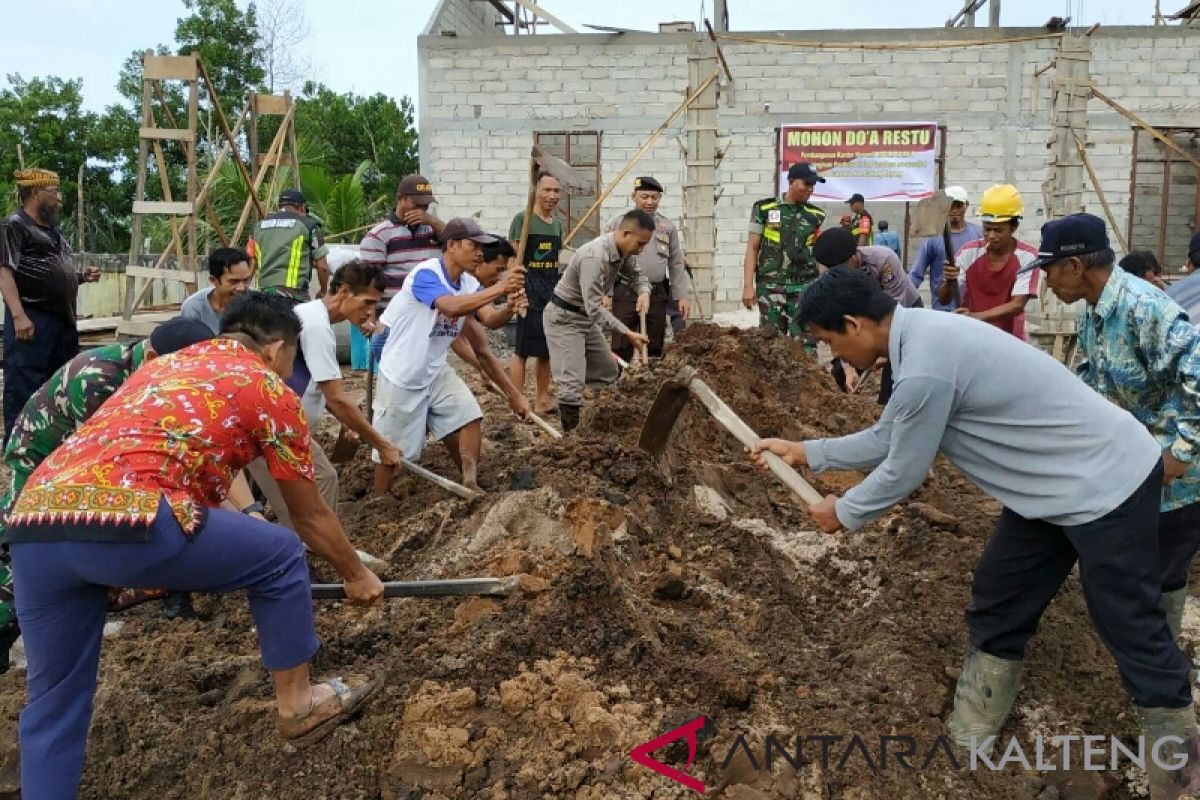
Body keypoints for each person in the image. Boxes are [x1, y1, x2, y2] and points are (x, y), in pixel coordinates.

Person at [750, 266, 1196, 798]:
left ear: (853, 324)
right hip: (1049, 490)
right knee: (1000, 592)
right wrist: (807, 452)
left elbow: (904, 469)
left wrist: (844, 512)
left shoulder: (925, 365)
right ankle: (972, 735)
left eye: (830, 343)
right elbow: (888, 435)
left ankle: (1181, 766)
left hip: (1106, 483)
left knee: (1127, 620)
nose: (836, 358)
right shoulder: (921, 342)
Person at [6, 292, 385, 798]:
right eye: (292, 361)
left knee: (54, 701)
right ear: (275, 350)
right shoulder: (265, 385)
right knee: (280, 554)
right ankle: (298, 703)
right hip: (126, 515)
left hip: (35, 519)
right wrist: (355, 574)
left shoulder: (160, 371)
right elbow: (310, 517)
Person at [0, 317, 214, 651]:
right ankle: (7, 625)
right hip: (43, 453)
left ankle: (169, 595)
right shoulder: (98, 379)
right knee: (28, 536)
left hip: (101, 451)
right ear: (156, 359)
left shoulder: (160, 373)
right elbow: (103, 463)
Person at [1036, 214, 1200, 644]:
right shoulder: (1096, 311)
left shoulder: (1144, 309)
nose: (1046, 283)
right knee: (1141, 575)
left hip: (1175, 483)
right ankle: (1152, 660)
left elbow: (1198, 378)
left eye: (1048, 270)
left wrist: (1180, 454)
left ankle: (1164, 672)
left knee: (1160, 576)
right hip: (1132, 472)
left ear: (1074, 267)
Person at [372, 218, 526, 495]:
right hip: (402, 374)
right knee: (393, 451)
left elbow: (489, 319)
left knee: (469, 416)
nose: (480, 252)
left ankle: (469, 482)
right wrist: (501, 288)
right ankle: (378, 501)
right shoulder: (426, 274)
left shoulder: (468, 282)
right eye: (473, 245)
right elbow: (450, 307)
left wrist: (509, 308)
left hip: (434, 368)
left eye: (482, 247)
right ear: (452, 246)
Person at [246, 262, 403, 527]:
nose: (369, 312)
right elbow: (337, 398)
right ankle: (315, 550)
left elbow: (318, 386)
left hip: (276, 422)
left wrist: (346, 421)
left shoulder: (310, 316)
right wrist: (383, 445)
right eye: (366, 302)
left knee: (284, 497)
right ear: (344, 291)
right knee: (319, 485)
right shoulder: (317, 326)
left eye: (374, 305)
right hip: (275, 426)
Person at [0, 169, 101, 441]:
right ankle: (19, 445)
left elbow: (50, 273)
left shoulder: (52, 230)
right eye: (54, 192)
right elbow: (4, 271)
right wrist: (19, 315)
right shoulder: (14, 225)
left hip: (61, 321)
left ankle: (54, 442)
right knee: (26, 382)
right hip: (33, 318)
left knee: (61, 381)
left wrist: (79, 278)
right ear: (35, 193)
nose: (59, 199)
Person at [544, 211, 652, 432]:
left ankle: (601, 428)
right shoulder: (594, 257)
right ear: (625, 233)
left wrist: (644, 292)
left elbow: (638, 275)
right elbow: (594, 306)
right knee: (571, 385)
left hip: (584, 318)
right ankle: (571, 441)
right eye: (640, 243)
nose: (641, 249)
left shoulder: (623, 251)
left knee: (607, 372)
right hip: (565, 318)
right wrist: (628, 333)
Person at [812, 226, 921, 405]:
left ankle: (888, 408)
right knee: (839, 372)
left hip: (903, 312)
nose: (841, 274)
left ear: (854, 256)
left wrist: (880, 351)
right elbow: (840, 325)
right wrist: (848, 368)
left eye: (843, 267)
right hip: (863, 317)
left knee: (893, 373)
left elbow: (895, 309)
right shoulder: (832, 279)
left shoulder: (883, 260)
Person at [603, 176, 692, 362]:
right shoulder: (619, 224)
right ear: (633, 196)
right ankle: (618, 384)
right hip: (625, 290)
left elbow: (676, 263)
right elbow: (606, 261)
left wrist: (681, 296)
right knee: (622, 342)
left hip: (656, 292)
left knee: (655, 343)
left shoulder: (667, 227)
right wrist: (606, 292)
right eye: (644, 197)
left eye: (654, 197)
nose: (650, 202)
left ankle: (651, 384)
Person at [359, 174, 445, 359]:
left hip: (427, 315)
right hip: (392, 316)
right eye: (417, 205)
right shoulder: (379, 235)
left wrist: (432, 221)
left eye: (426, 207)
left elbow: (457, 245)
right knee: (392, 363)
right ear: (400, 199)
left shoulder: (433, 230)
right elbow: (370, 282)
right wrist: (370, 317)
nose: (421, 211)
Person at [741, 162, 827, 346]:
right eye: (806, 184)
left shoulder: (816, 215)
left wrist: (823, 288)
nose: (810, 189)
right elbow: (753, 247)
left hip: (804, 287)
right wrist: (748, 286)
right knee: (770, 344)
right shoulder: (764, 209)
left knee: (806, 343)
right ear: (791, 181)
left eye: (813, 185)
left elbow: (817, 253)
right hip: (771, 286)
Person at [939, 184, 1039, 340]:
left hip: (1010, 340)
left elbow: (1017, 305)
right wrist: (949, 281)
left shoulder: (1027, 257)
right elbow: (944, 299)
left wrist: (976, 317)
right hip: (972, 337)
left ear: (1014, 227)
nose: (991, 235)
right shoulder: (968, 253)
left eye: (998, 230)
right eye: (987, 229)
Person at [508, 172, 564, 416]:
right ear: (536, 192)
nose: (552, 196)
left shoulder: (558, 225)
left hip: (550, 291)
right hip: (527, 289)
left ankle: (542, 399)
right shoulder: (523, 219)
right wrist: (516, 289)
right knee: (521, 349)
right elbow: (514, 258)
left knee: (546, 350)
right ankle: (517, 400)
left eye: (556, 191)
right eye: (547, 190)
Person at [247, 189, 330, 303]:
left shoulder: (258, 227)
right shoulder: (309, 225)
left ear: (279, 206)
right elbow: (322, 267)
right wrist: (323, 291)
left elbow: (250, 263)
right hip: (293, 296)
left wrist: (244, 289)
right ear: (302, 207)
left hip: (263, 295)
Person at [908, 186, 982, 311]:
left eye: (958, 205)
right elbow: (916, 274)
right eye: (950, 205)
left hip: (972, 309)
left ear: (966, 205)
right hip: (943, 310)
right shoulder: (933, 238)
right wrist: (902, 300)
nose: (954, 210)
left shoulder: (979, 234)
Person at [180, 247, 254, 334]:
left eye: (246, 280)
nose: (241, 288)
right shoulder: (194, 308)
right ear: (214, 280)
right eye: (234, 281)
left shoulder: (256, 302)